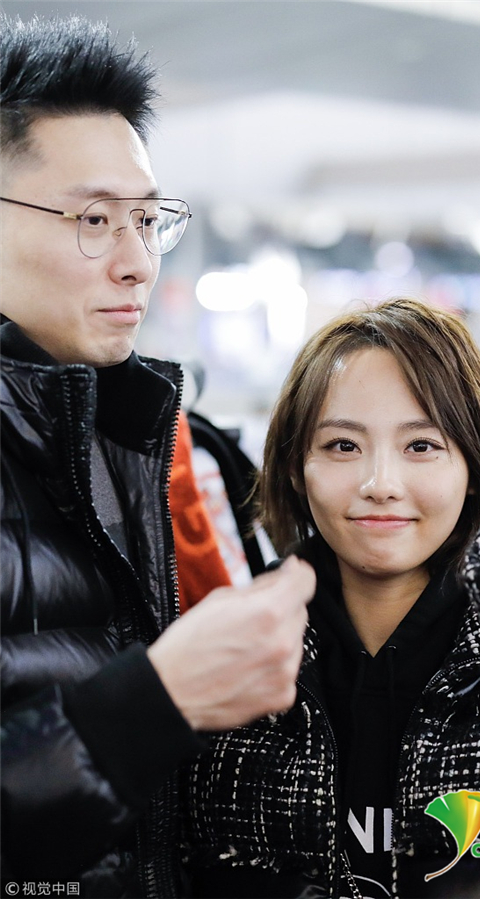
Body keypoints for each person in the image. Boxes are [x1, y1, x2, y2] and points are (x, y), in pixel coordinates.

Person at [0, 15, 314, 898]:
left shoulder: (130, 439)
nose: (138, 262)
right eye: (96, 219)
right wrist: (147, 707)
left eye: (146, 219)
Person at [184, 298, 480, 898]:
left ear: (474, 468)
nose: (380, 484)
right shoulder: (231, 654)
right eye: (342, 446)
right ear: (297, 468)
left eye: (421, 446)